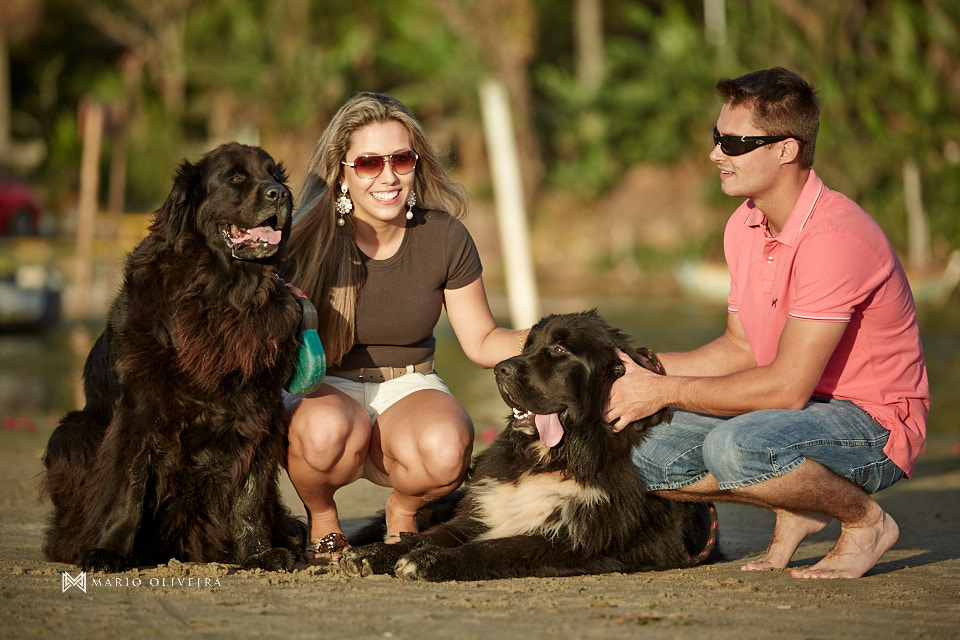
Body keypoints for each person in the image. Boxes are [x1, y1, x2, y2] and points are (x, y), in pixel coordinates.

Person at [605, 67, 929, 579]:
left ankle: (866, 521)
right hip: (796, 413)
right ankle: (795, 502)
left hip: (872, 422)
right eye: (717, 138)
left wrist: (663, 392)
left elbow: (786, 387)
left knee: (735, 448)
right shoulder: (745, 224)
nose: (716, 153)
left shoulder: (835, 237)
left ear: (787, 149)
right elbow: (739, 348)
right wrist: (638, 373)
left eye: (733, 142)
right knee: (626, 451)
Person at [284, 92, 528, 563]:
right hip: (323, 389)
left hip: (409, 385)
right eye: (369, 163)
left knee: (445, 450)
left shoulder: (444, 236)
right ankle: (323, 516)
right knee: (325, 431)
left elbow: (480, 342)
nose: (389, 176)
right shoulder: (304, 241)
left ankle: (402, 512)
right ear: (341, 173)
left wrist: (552, 338)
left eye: (401, 158)